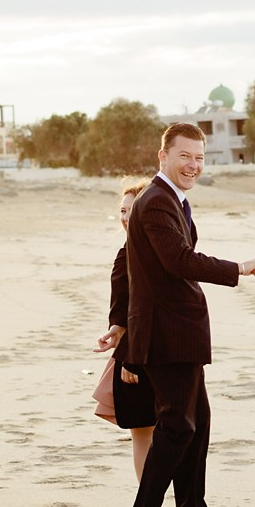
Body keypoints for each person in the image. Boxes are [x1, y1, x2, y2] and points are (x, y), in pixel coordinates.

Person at [116, 122, 255, 507]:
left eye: (199, 158)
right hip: (166, 336)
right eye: (185, 156)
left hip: (179, 333)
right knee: (177, 428)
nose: (193, 165)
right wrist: (236, 267)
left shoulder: (174, 200)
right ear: (163, 157)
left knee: (196, 428)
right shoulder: (157, 200)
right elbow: (178, 261)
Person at [93, 180, 153, 480]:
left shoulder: (166, 252)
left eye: (133, 210)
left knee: (175, 435)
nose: (126, 217)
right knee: (143, 434)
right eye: (123, 210)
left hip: (165, 354)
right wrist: (116, 332)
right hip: (134, 359)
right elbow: (124, 308)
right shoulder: (125, 254)